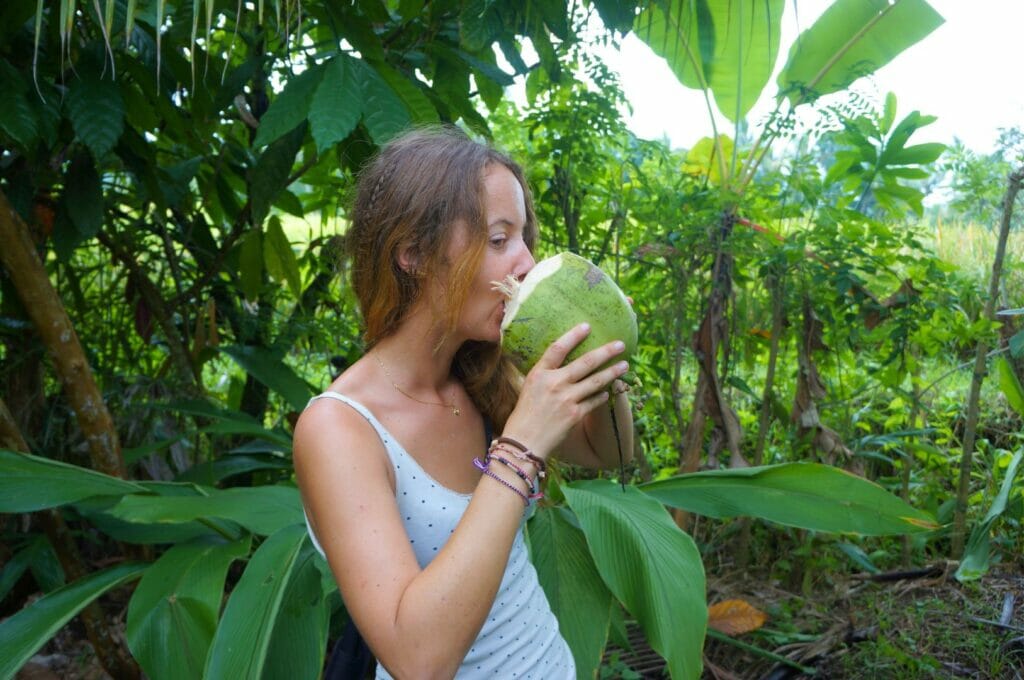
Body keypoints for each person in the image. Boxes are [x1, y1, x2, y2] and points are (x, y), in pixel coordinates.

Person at [293, 125, 634, 679]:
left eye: (523, 236)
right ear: (414, 255)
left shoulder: (484, 373)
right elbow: (417, 660)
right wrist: (520, 449)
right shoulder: (338, 429)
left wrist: (601, 357)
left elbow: (607, 451)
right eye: (499, 240)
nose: (525, 261)